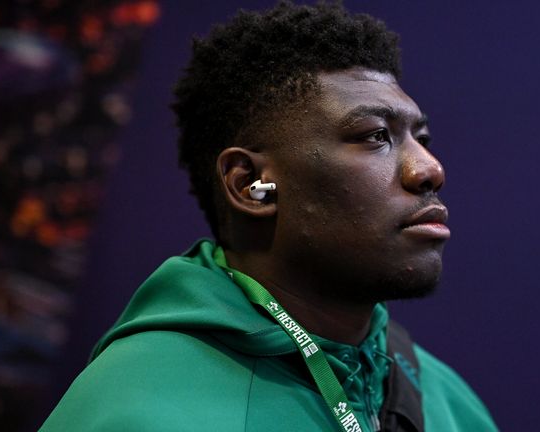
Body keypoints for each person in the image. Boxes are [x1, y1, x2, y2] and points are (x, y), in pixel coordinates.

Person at [41, 2, 498, 431]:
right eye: (376, 135)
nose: (430, 169)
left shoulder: (450, 402)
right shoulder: (137, 409)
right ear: (251, 187)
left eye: (423, 137)